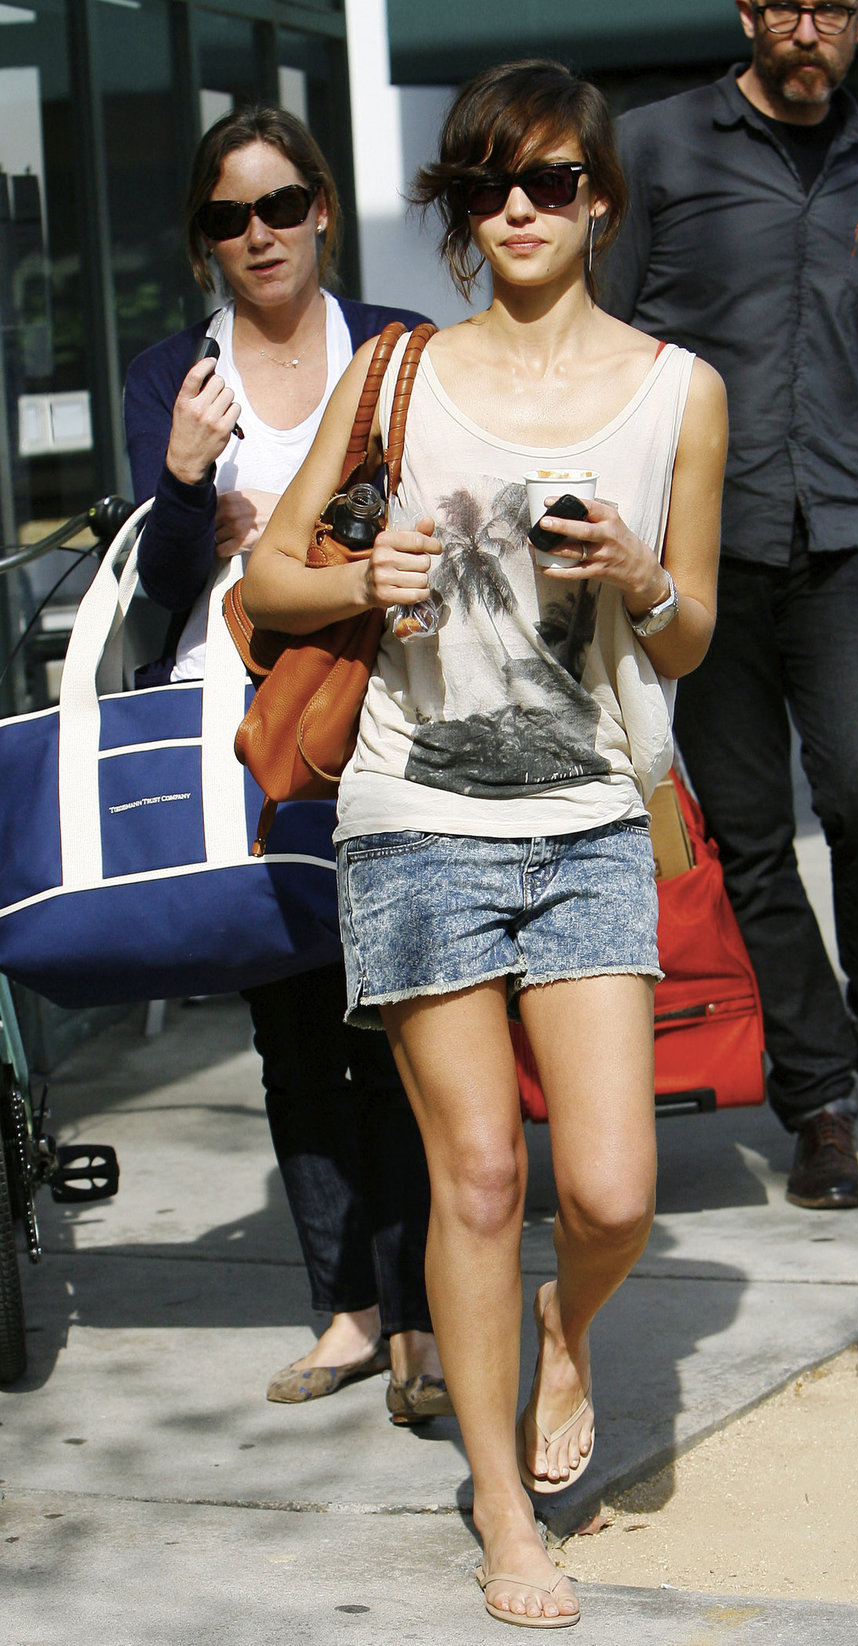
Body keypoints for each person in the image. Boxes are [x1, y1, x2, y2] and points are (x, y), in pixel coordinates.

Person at [242, 59, 725, 1630]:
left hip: (587, 811)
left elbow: (692, 638)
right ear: (460, 207)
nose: (524, 208)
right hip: (415, 815)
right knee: (477, 1173)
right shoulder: (396, 372)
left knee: (606, 1191)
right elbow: (268, 584)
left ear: (601, 198)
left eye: (557, 181)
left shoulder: (677, 391)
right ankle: (504, 1510)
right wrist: (362, 575)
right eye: (491, 184)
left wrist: (643, 571)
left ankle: (565, 1332)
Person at [603, 1, 858, 1211]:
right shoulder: (656, 145)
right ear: (751, 13)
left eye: (835, 6)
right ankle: (816, 1098)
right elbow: (606, 349)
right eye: (790, 5)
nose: (810, 28)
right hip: (699, 561)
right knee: (754, 839)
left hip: (843, 543)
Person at [123, 106, 450, 1423]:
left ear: (319, 206)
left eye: (276, 206)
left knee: (411, 1016)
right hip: (239, 726)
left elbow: (434, 494)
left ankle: (427, 1306)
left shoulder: (391, 349)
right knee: (293, 1020)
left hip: (388, 709)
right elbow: (154, 585)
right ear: (206, 240)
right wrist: (191, 487)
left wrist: (319, 534)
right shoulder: (173, 376)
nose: (255, 235)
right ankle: (348, 1308)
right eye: (226, 217)